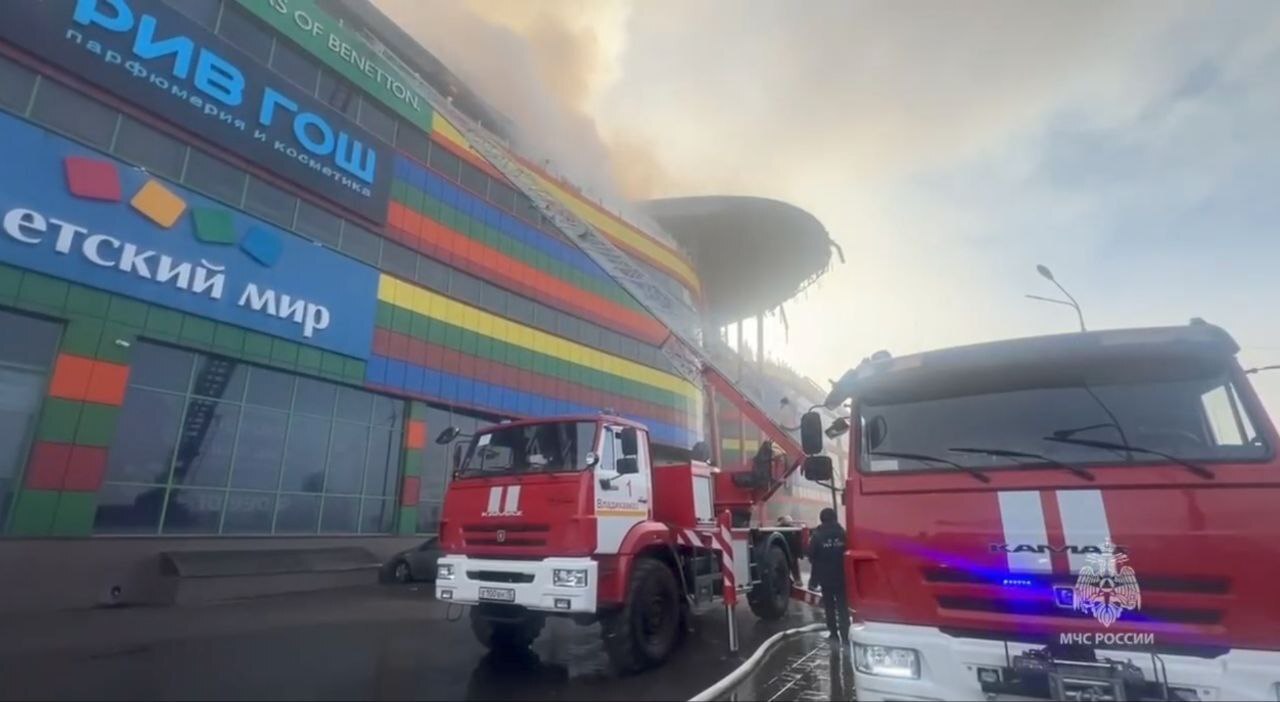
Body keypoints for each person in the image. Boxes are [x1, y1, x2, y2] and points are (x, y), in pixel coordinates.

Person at [808, 507, 850, 640]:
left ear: (821, 519)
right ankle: (846, 632)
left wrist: (813, 581)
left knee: (829, 606)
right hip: (842, 577)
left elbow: (811, 555)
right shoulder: (843, 534)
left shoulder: (817, 536)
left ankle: (833, 633)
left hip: (826, 578)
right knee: (843, 606)